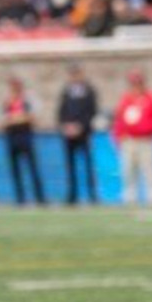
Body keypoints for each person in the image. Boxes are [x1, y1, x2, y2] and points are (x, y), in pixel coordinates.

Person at [112, 70, 152, 206]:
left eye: (138, 83)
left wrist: (147, 130)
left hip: (146, 140)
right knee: (128, 171)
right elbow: (119, 120)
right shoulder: (126, 100)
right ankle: (130, 198)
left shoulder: (151, 99)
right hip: (129, 141)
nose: (136, 87)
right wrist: (119, 137)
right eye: (133, 83)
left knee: (150, 170)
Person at [56, 65, 100, 204]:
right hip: (68, 135)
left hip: (84, 133)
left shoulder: (89, 91)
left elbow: (92, 111)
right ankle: (72, 195)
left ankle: (92, 195)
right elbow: (61, 111)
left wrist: (81, 126)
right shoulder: (66, 91)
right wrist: (65, 126)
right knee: (70, 166)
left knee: (88, 165)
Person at [2, 79, 43, 206]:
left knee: (32, 168)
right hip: (12, 138)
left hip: (26, 137)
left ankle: (40, 198)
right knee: (15, 170)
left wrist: (17, 118)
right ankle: (20, 198)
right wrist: (19, 118)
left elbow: (33, 118)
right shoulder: (7, 103)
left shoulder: (28, 101)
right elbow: (4, 121)